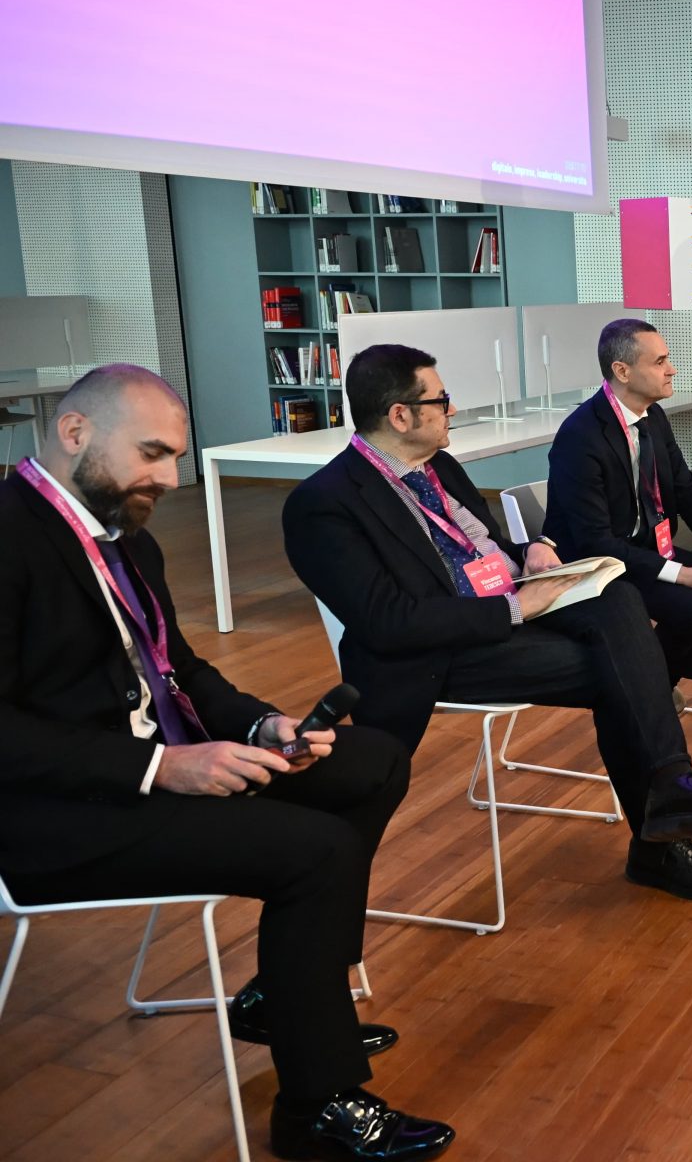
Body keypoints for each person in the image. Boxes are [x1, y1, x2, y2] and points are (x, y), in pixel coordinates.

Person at [0, 365, 454, 1160]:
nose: (170, 479)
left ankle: (292, 997)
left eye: (176, 458)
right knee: (317, 851)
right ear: (74, 433)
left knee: (372, 760)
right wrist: (162, 769)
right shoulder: (10, 540)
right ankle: (316, 1107)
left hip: (155, 769)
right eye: (152, 454)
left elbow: (179, 668)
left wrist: (263, 724)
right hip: (59, 814)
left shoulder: (124, 534)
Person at [284, 345, 692, 902]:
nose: (452, 410)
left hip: (506, 608)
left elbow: (482, 551)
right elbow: (388, 623)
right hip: (434, 655)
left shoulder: (439, 466)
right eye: (441, 400)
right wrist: (518, 608)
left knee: (616, 594)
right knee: (619, 671)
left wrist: (534, 551)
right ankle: (663, 828)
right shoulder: (323, 504)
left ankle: (670, 792)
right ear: (400, 415)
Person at [544, 320, 692, 710]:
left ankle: (654, 684)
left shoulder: (652, 416)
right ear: (622, 371)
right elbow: (594, 542)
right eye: (660, 362)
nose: (671, 369)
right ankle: (649, 691)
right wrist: (684, 574)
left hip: (645, 548)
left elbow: (687, 489)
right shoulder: (580, 436)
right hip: (599, 563)